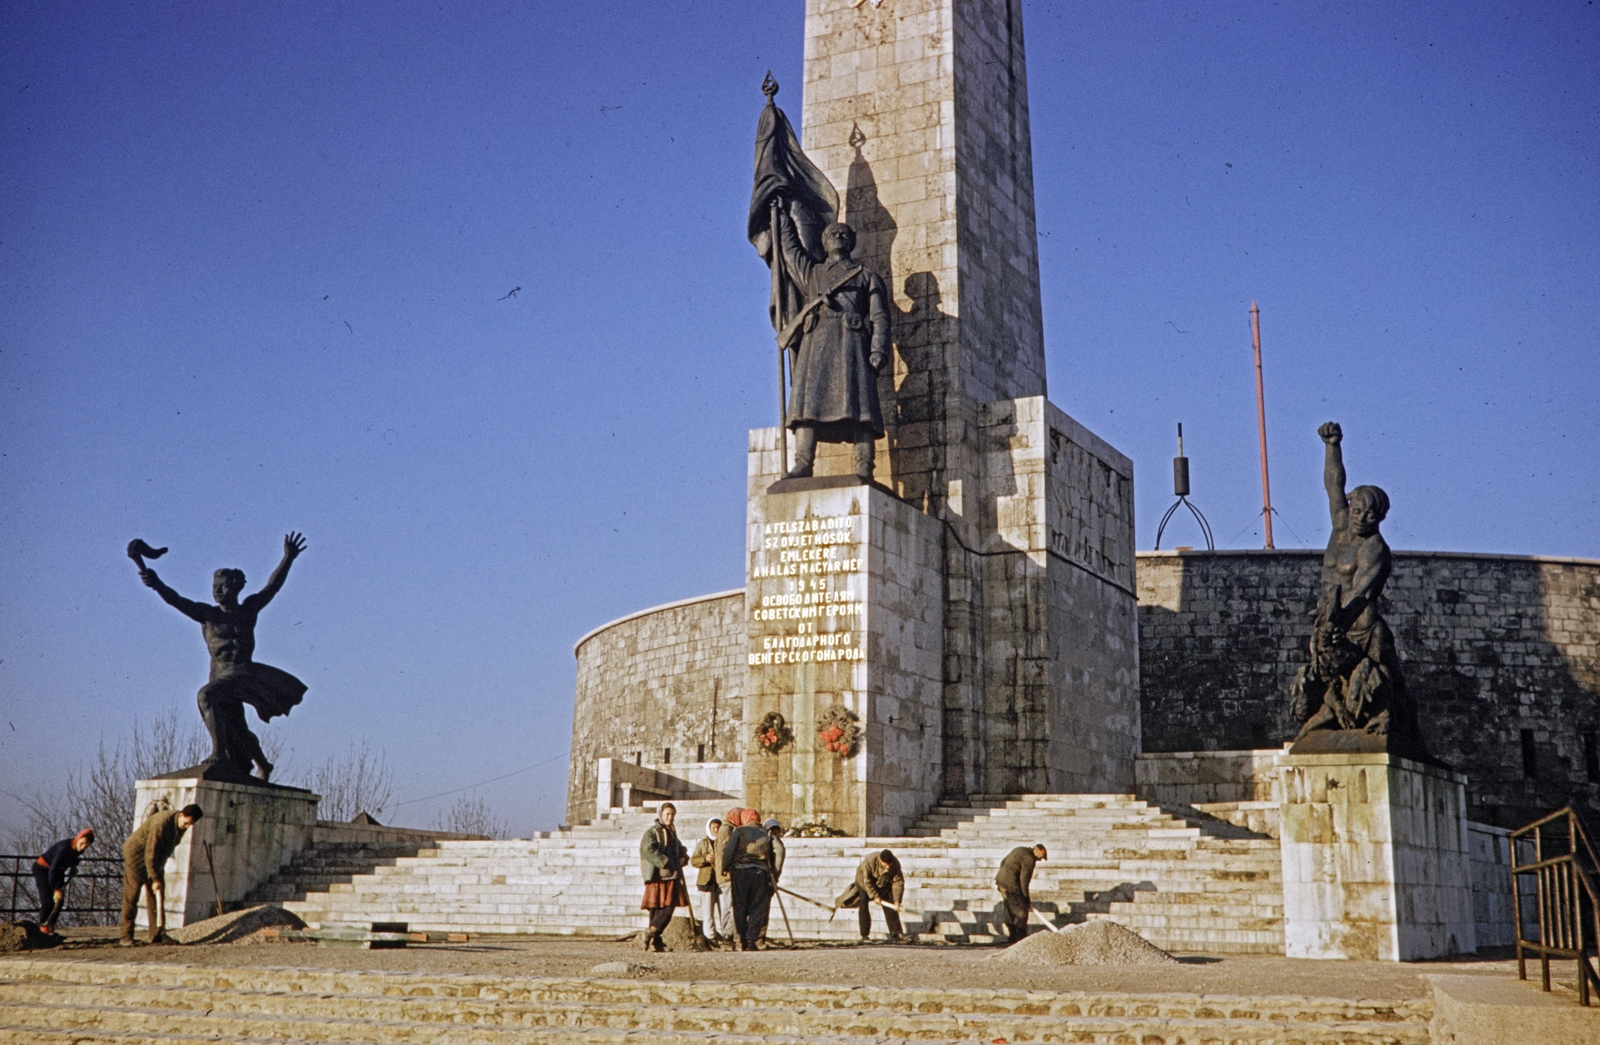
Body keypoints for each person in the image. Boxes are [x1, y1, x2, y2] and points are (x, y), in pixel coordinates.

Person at [1290, 423, 1428, 756]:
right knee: (1324, 683)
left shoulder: (1375, 549)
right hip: (1331, 623)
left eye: (1370, 515)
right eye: (1357, 510)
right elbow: (1333, 483)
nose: (1361, 518)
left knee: (1385, 683)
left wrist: (1338, 620)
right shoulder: (1340, 524)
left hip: (1363, 629)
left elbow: (1363, 593)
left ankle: (1405, 737)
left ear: (1380, 519)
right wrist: (1332, 446)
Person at [138, 533, 308, 781]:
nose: (217, 591)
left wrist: (288, 558)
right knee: (236, 725)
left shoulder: (248, 609)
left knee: (206, 695)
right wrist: (157, 584)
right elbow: (176, 600)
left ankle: (218, 753)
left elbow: (272, 587)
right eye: (214, 587)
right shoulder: (208, 615)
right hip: (221, 675)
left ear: (237, 587)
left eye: (223, 586)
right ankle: (263, 763)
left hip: (243, 672)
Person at [775, 207, 892, 481]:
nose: (838, 237)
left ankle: (865, 465)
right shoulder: (813, 273)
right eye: (832, 234)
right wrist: (781, 217)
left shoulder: (866, 276)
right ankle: (803, 462)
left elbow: (879, 317)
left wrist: (878, 350)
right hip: (816, 344)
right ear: (824, 243)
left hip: (851, 343)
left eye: (843, 234)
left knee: (861, 409)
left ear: (851, 243)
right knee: (808, 407)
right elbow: (790, 251)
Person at [120, 804, 203, 946]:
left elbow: (166, 850)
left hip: (154, 860)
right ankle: (125, 936)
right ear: (181, 814)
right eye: (186, 823)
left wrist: (158, 874)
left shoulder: (179, 825)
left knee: (157, 896)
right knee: (132, 896)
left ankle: (157, 934)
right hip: (136, 857)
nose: (187, 826)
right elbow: (150, 853)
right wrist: (155, 878)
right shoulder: (161, 823)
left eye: (190, 824)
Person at [638, 802, 690, 952]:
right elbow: (647, 849)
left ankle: (652, 936)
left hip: (671, 875)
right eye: (668, 814)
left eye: (673, 814)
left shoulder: (672, 832)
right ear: (660, 815)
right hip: (657, 875)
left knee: (668, 906)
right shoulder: (653, 832)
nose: (670, 817)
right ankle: (654, 939)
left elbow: (680, 849)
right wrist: (664, 861)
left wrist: (683, 857)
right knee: (657, 908)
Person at [721, 807, 776, 951]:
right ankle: (751, 940)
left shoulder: (739, 831)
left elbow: (729, 850)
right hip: (760, 873)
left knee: (740, 907)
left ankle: (739, 941)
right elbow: (778, 851)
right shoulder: (766, 833)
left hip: (740, 872)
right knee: (757, 908)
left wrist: (724, 867)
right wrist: (775, 873)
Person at [835, 849, 907, 943]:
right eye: (885, 865)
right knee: (863, 901)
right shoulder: (870, 860)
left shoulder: (895, 864)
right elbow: (867, 881)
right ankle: (864, 935)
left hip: (882, 883)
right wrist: (875, 896)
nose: (888, 867)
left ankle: (896, 933)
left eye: (890, 864)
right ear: (880, 860)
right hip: (863, 882)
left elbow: (898, 883)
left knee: (890, 901)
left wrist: (897, 901)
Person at [33, 829, 94, 932]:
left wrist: (74, 864)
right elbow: (54, 869)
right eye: (82, 843)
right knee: (47, 900)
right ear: (77, 839)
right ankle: (43, 929)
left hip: (58, 871)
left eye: (87, 845)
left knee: (59, 902)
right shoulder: (64, 849)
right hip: (43, 869)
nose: (83, 847)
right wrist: (56, 889)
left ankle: (50, 927)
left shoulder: (78, 849)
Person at [995, 843, 1047, 945]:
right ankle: (1020, 939)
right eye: (1040, 857)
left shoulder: (1020, 849)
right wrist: (1026, 898)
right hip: (1011, 885)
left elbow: (1003, 862)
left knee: (1010, 910)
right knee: (1021, 912)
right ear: (1036, 851)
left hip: (1001, 881)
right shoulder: (1029, 859)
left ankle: (1012, 938)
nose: (1040, 860)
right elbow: (1024, 881)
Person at [689, 817, 728, 944]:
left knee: (725, 911)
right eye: (713, 828)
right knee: (708, 912)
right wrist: (705, 858)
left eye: (718, 828)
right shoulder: (703, 843)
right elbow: (693, 860)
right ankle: (710, 937)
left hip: (722, 881)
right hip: (706, 882)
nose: (716, 830)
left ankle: (726, 936)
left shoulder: (725, 842)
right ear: (709, 829)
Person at [712, 807, 740, 950]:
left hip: (725, 875)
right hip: (727, 876)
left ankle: (729, 935)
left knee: (730, 905)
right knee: (729, 906)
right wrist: (727, 869)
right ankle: (727, 936)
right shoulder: (726, 830)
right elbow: (725, 852)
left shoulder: (728, 830)